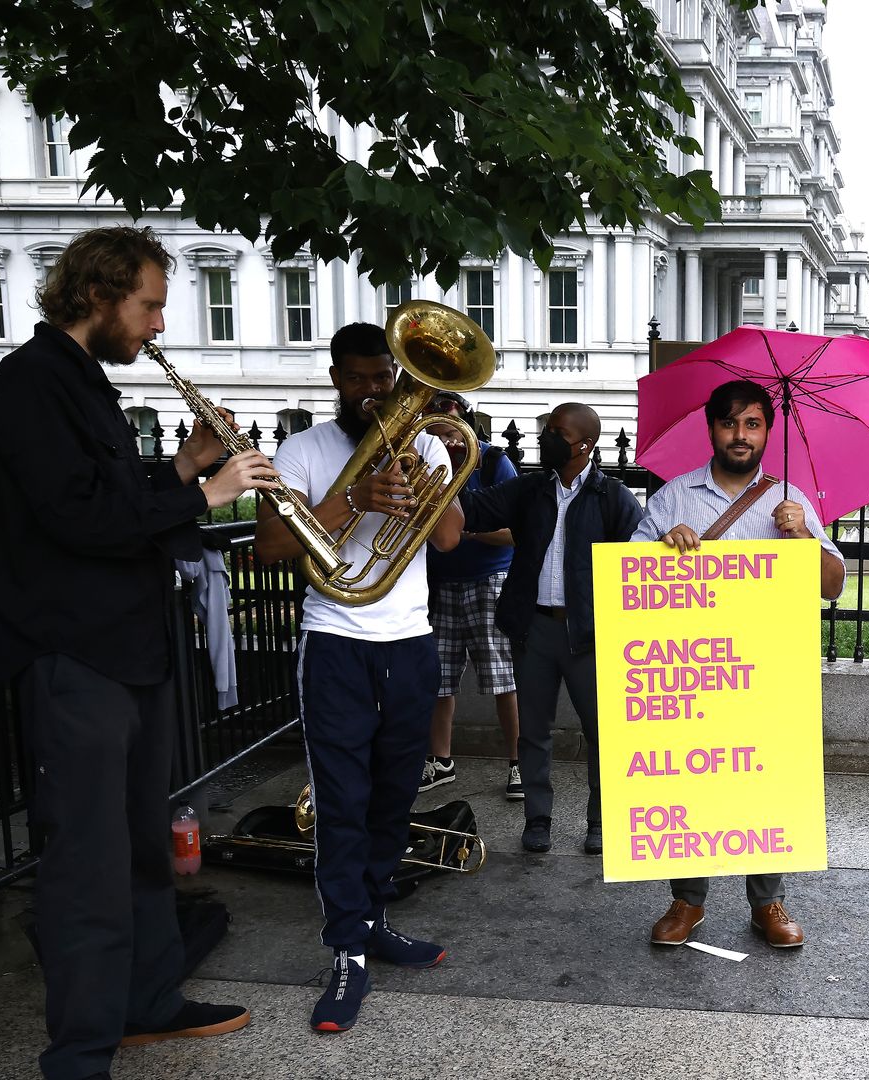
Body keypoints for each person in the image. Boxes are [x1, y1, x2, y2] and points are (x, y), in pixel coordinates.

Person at [0, 225, 271, 1079]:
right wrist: (212, 491)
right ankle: (78, 1052)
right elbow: (78, 522)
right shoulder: (33, 382)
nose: (156, 327)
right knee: (86, 860)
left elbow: (111, 497)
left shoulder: (88, 386)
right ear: (101, 295)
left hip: (129, 653)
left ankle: (147, 1001)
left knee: (144, 842)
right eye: (148, 307)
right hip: (75, 659)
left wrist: (182, 467)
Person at [253, 322, 462, 1032]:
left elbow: (450, 537)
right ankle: (345, 947)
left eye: (385, 378)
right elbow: (270, 544)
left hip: (409, 640)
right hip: (337, 640)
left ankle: (372, 921)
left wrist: (438, 462)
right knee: (342, 799)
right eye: (361, 379)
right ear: (337, 378)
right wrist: (356, 499)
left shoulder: (425, 442)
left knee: (394, 795)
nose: (374, 392)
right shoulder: (303, 450)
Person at [633, 380, 846, 949]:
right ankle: (687, 900)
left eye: (752, 424)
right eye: (730, 424)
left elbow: (832, 586)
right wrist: (659, 549)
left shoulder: (788, 500)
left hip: (768, 673)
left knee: (767, 780)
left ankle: (768, 901)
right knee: (693, 778)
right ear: (711, 430)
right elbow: (628, 583)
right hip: (695, 672)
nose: (741, 435)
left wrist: (801, 536)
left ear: (767, 432)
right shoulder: (671, 499)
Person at [457, 402, 645, 855]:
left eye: (556, 431)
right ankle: (537, 819)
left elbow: (639, 563)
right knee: (533, 731)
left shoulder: (613, 497)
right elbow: (472, 511)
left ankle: (600, 822)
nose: (546, 438)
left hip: (590, 635)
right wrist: (442, 469)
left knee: (601, 732)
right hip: (534, 629)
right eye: (546, 429)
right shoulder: (528, 490)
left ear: (584, 444)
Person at [419, 391, 523, 799]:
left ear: (466, 421)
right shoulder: (423, 461)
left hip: (488, 580)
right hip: (440, 582)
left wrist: (463, 531)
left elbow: (518, 532)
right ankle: (440, 760)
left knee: (503, 678)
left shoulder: (494, 461)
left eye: (450, 428)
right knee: (438, 679)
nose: (446, 439)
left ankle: (519, 763)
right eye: (435, 430)